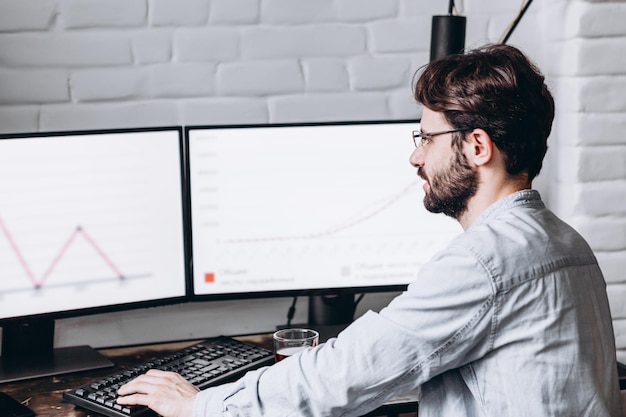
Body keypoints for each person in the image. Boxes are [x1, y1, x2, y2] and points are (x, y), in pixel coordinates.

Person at [116, 44, 623, 416]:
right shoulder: (563, 241)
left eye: (427, 138)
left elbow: (347, 374)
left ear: (476, 147)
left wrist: (202, 406)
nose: (415, 156)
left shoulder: (486, 261)